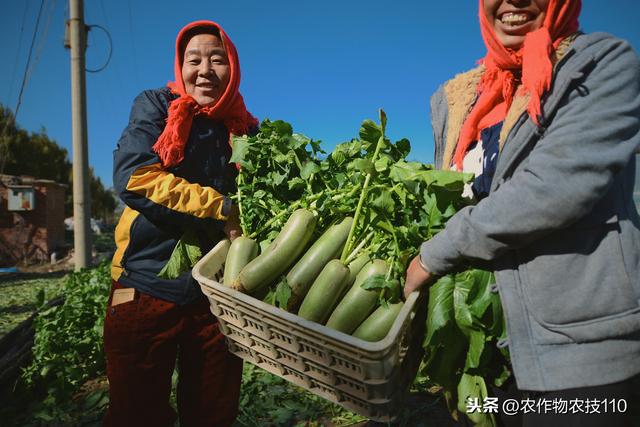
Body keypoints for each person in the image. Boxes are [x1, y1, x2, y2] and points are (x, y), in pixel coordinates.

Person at [404, 0, 640, 425]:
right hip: (482, 343)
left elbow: (555, 186)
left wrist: (431, 255)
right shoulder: (460, 97)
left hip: (575, 352)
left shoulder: (602, 64)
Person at [105, 20, 258, 427]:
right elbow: (135, 177)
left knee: (212, 412)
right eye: (194, 60)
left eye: (217, 59)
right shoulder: (157, 106)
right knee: (136, 413)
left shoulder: (248, 129)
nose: (204, 70)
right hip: (144, 284)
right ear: (180, 65)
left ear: (233, 68)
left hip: (217, 296)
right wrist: (221, 208)